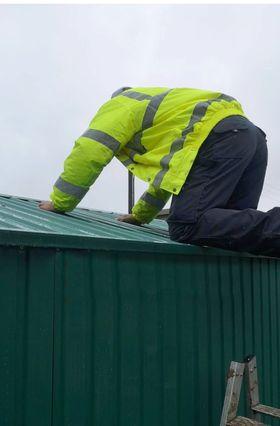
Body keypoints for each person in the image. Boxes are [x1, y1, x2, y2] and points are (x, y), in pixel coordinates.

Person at [39, 86, 275, 257]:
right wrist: (141, 215)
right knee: (229, 234)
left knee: (187, 224)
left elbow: (90, 150)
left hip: (220, 137)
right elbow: (168, 178)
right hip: (250, 138)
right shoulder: (167, 117)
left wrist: (60, 202)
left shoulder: (119, 106)